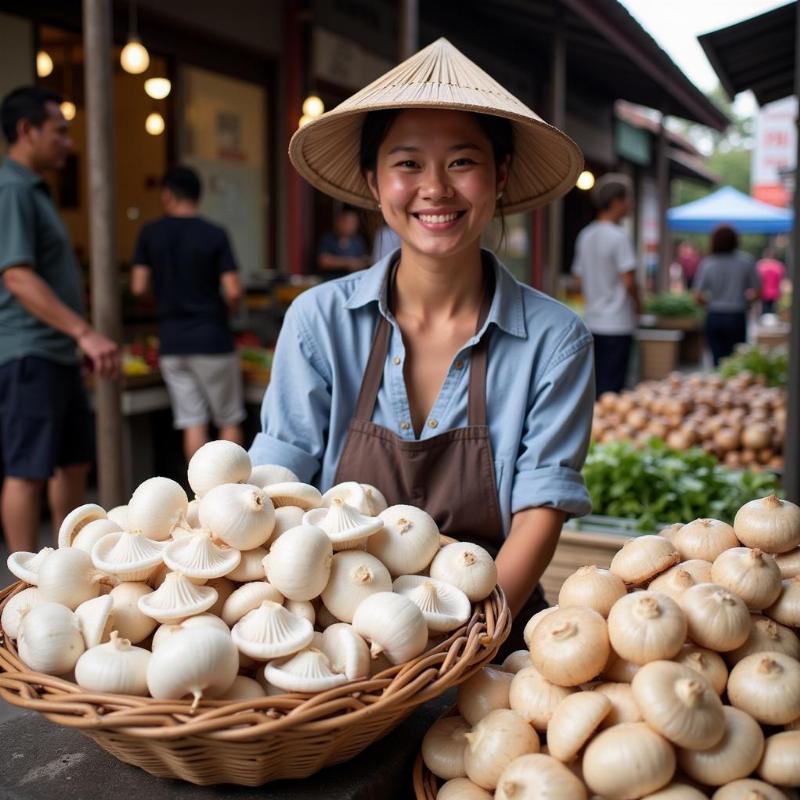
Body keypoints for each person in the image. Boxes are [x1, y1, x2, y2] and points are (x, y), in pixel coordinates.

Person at [251, 39, 594, 652]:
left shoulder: (555, 339)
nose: (435, 188)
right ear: (372, 180)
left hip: (493, 629)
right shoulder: (319, 320)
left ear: (502, 174)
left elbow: (542, 508)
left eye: (462, 161)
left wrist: (465, 643)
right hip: (342, 642)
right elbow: (276, 482)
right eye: (407, 164)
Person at [0, 86, 118, 553]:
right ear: (27, 131)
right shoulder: (11, 188)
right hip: (29, 351)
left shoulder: (34, 189)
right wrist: (85, 333)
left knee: (73, 465)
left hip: (55, 352)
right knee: (27, 471)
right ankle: (20, 585)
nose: (69, 143)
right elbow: (17, 277)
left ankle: (66, 567)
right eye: (60, 132)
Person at [130, 166, 245, 461]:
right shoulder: (215, 234)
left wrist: (163, 301)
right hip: (212, 339)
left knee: (192, 421)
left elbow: (138, 286)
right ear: (198, 196)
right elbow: (233, 290)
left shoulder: (150, 234)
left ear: (167, 195)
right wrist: (227, 312)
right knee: (228, 419)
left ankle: (201, 493)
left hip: (172, 342)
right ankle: (234, 493)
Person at [571, 173, 642, 396]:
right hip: (618, 323)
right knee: (613, 389)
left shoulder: (585, 235)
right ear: (617, 201)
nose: (630, 205)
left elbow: (578, 279)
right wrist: (639, 305)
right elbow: (629, 280)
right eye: (628, 199)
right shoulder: (619, 237)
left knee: (594, 384)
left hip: (592, 320)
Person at [694, 224, 760, 365]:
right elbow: (758, 291)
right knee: (736, 361)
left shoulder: (708, 263)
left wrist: (710, 303)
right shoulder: (746, 261)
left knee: (717, 360)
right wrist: (745, 301)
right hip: (737, 315)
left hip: (715, 315)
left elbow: (697, 295)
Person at [317, 207, 371, 279]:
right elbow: (323, 261)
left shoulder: (358, 241)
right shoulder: (329, 238)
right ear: (338, 222)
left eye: (353, 223)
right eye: (346, 222)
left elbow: (363, 261)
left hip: (352, 280)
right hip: (331, 281)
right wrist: (349, 263)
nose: (350, 226)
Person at [756, 246, 785, 315]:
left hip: (763, 292)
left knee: (764, 311)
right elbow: (781, 279)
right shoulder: (779, 266)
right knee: (773, 312)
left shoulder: (760, 265)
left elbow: (757, 280)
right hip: (775, 292)